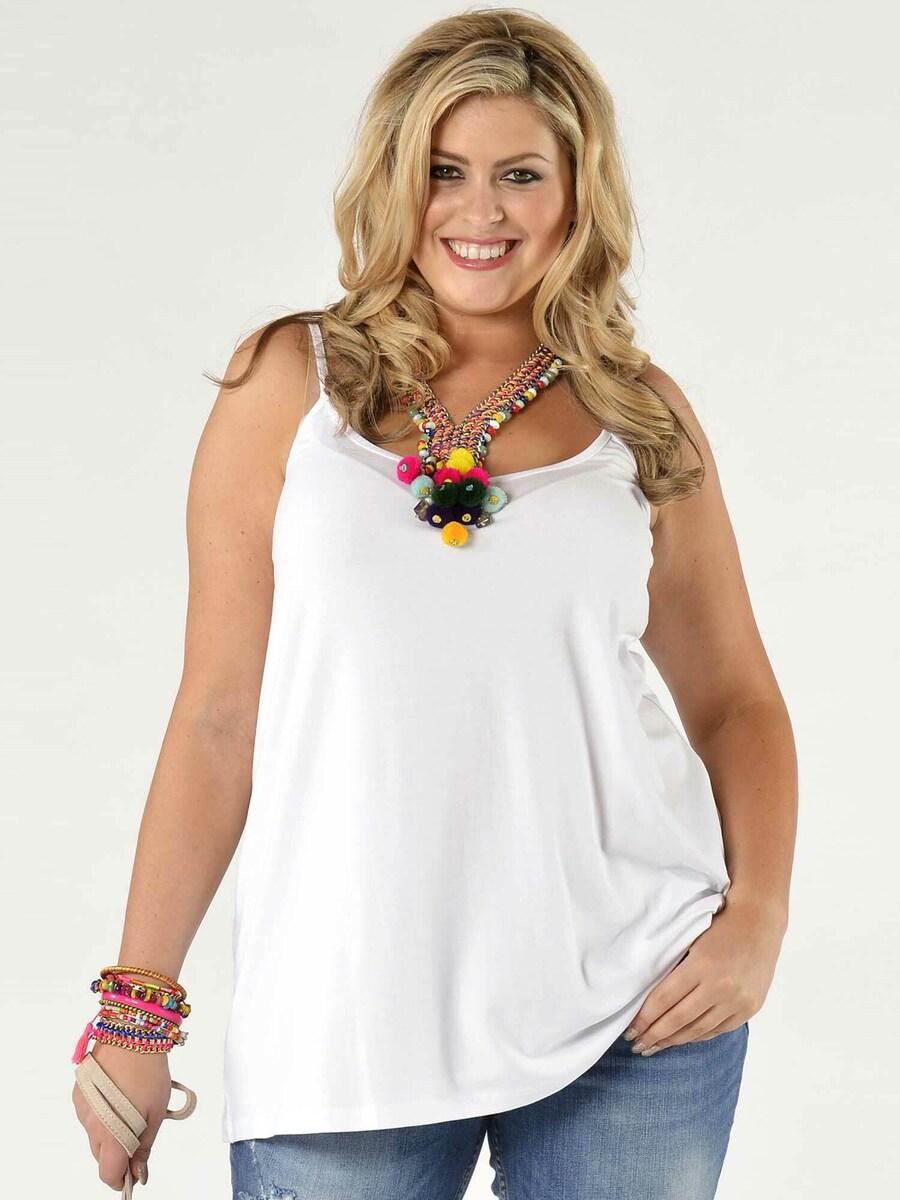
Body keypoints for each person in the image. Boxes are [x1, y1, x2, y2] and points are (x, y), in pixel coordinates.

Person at [72, 8, 797, 1198]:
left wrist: (756, 919)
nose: (481, 211)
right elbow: (217, 715)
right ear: (394, 182)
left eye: (522, 174)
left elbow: (734, 703)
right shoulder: (287, 386)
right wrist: (138, 1011)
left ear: (579, 192)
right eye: (445, 172)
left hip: (636, 1011)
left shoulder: (638, 414)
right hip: (342, 1031)